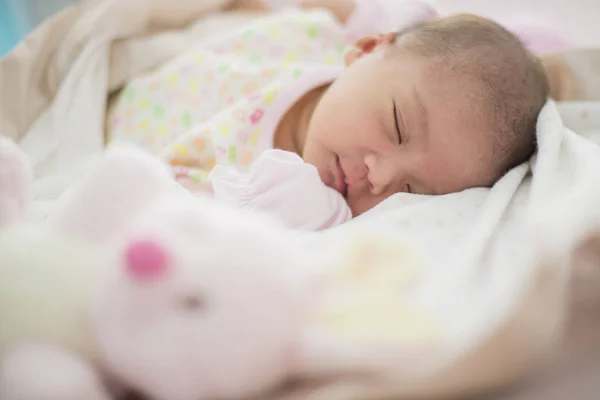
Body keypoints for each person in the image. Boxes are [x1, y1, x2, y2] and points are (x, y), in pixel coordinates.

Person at [106, 0, 550, 219]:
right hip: (146, 69)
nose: (379, 177)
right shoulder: (329, 37)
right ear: (367, 50)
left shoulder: (294, 208)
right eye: (396, 126)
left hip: (118, 138)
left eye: (413, 190)